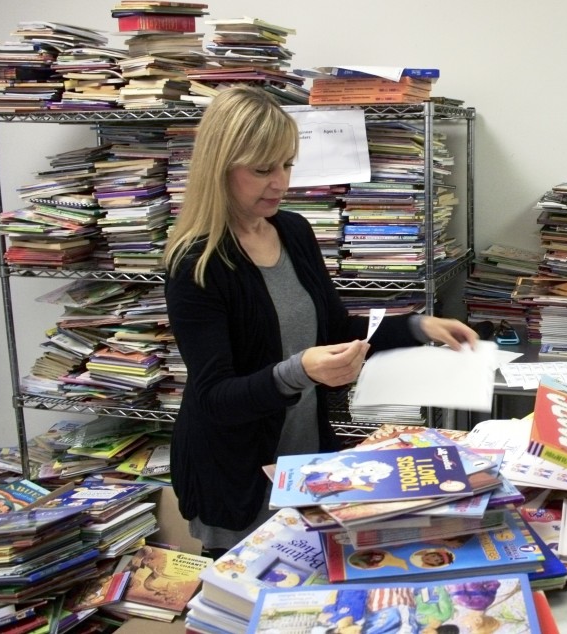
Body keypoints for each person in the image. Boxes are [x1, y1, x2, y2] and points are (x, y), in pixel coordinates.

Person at [163, 86, 478, 556]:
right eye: (262, 169)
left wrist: (417, 327)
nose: (280, 183)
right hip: (236, 476)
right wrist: (299, 371)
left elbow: (334, 330)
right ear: (219, 167)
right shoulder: (197, 262)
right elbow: (213, 399)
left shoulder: (293, 230)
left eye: (287, 164)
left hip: (306, 460)